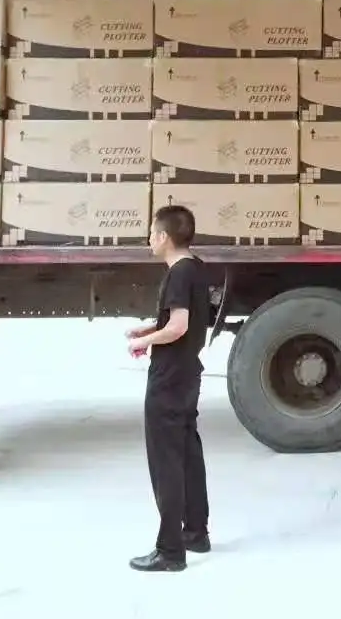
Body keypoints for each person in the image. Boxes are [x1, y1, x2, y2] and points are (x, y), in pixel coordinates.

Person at [126, 204, 212, 573]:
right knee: (188, 454)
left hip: (169, 377)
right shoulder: (196, 267)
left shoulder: (178, 273)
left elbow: (178, 327)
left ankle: (170, 551)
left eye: (151, 232)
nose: (149, 239)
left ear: (163, 236)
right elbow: (182, 322)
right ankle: (195, 533)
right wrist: (150, 329)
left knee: (166, 463)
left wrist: (142, 343)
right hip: (187, 372)